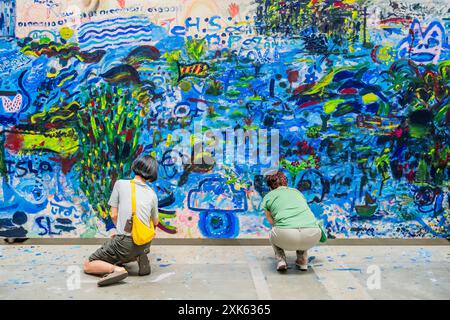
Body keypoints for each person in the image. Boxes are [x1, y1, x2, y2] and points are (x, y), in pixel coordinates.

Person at [83, 155, 159, 286]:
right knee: (122, 250)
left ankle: (117, 269)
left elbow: (113, 215)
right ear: (152, 173)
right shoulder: (152, 194)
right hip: (145, 242)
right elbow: (155, 223)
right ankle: (139, 254)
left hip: (125, 243)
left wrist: (119, 232)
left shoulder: (120, 184)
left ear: (136, 166)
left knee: (89, 264)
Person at [261, 171, 322, 272]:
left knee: (273, 232)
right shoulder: (297, 192)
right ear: (286, 183)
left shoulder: (268, 196)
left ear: (270, 186)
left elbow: (271, 221)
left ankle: (281, 261)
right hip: (313, 234)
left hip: (286, 235)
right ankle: (302, 261)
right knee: (301, 225)